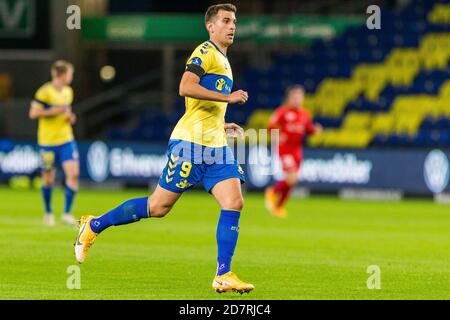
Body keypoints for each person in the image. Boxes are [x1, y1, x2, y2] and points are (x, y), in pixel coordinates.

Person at [74, 4, 255, 294]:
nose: (232, 26)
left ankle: (224, 274)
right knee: (158, 207)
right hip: (189, 144)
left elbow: (201, 108)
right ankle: (94, 225)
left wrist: (223, 124)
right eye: (225, 20)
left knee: (234, 201)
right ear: (211, 26)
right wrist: (228, 97)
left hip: (215, 146)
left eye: (234, 21)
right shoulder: (205, 52)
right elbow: (185, 87)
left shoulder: (223, 59)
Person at [29, 60, 79, 226]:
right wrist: (54, 111)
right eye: (70, 73)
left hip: (66, 140)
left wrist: (69, 117)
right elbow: (33, 113)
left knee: (73, 174)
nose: (71, 77)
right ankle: (48, 212)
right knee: (48, 180)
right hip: (47, 143)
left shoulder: (68, 92)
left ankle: (67, 212)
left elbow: (66, 112)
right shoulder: (44, 92)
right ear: (62, 75)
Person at [265, 85, 322, 218]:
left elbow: (308, 129)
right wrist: (278, 135)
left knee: (293, 181)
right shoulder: (282, 112)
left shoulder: (305, 114)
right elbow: (270, 126)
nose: (298, 99)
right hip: (285, 149)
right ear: (289, 98)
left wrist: (315, 130)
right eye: (295, 97)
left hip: (297, 150)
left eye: (300, 97)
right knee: (292, 178)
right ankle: (273, 191)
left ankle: (278, 207)